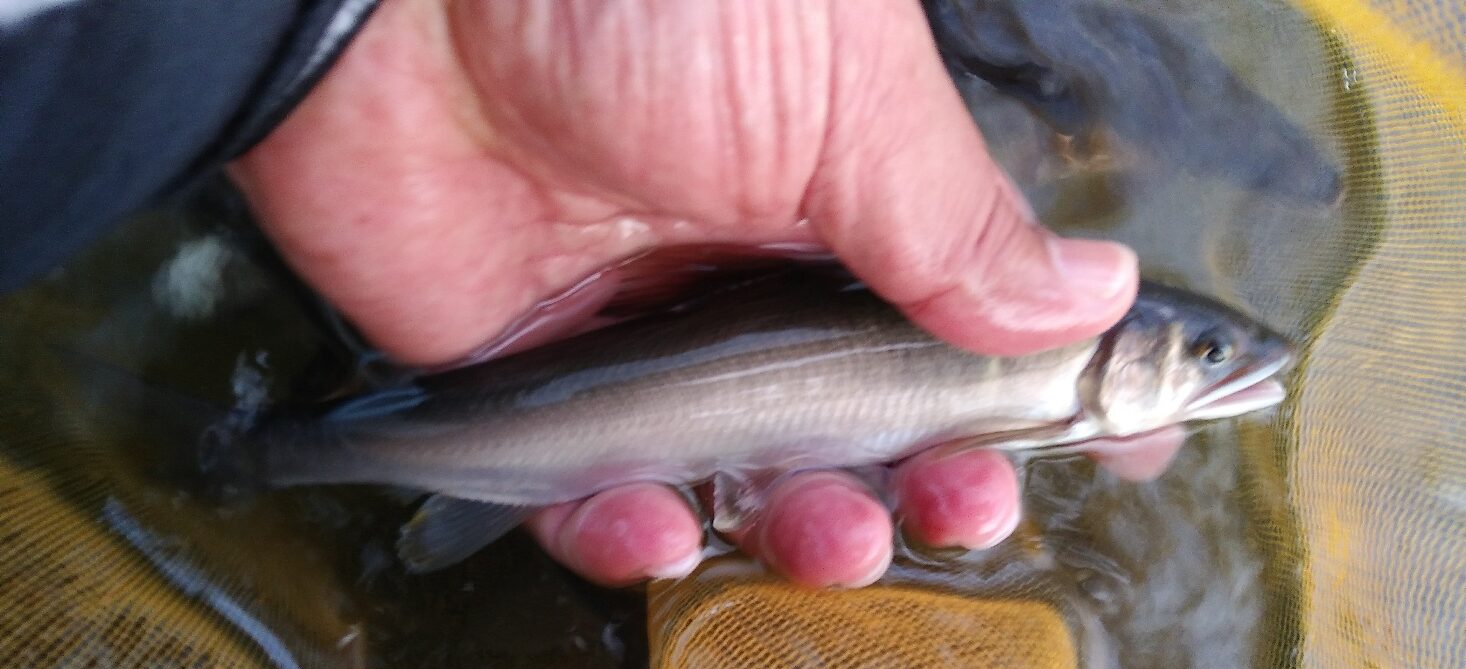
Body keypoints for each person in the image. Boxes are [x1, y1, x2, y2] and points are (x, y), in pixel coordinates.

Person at [2, 0, 1172, 589]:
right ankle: (261, 453)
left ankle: (249, 449)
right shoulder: (1056, 371)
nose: (1213, 372)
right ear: (1121, 360)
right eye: (1203, 359)